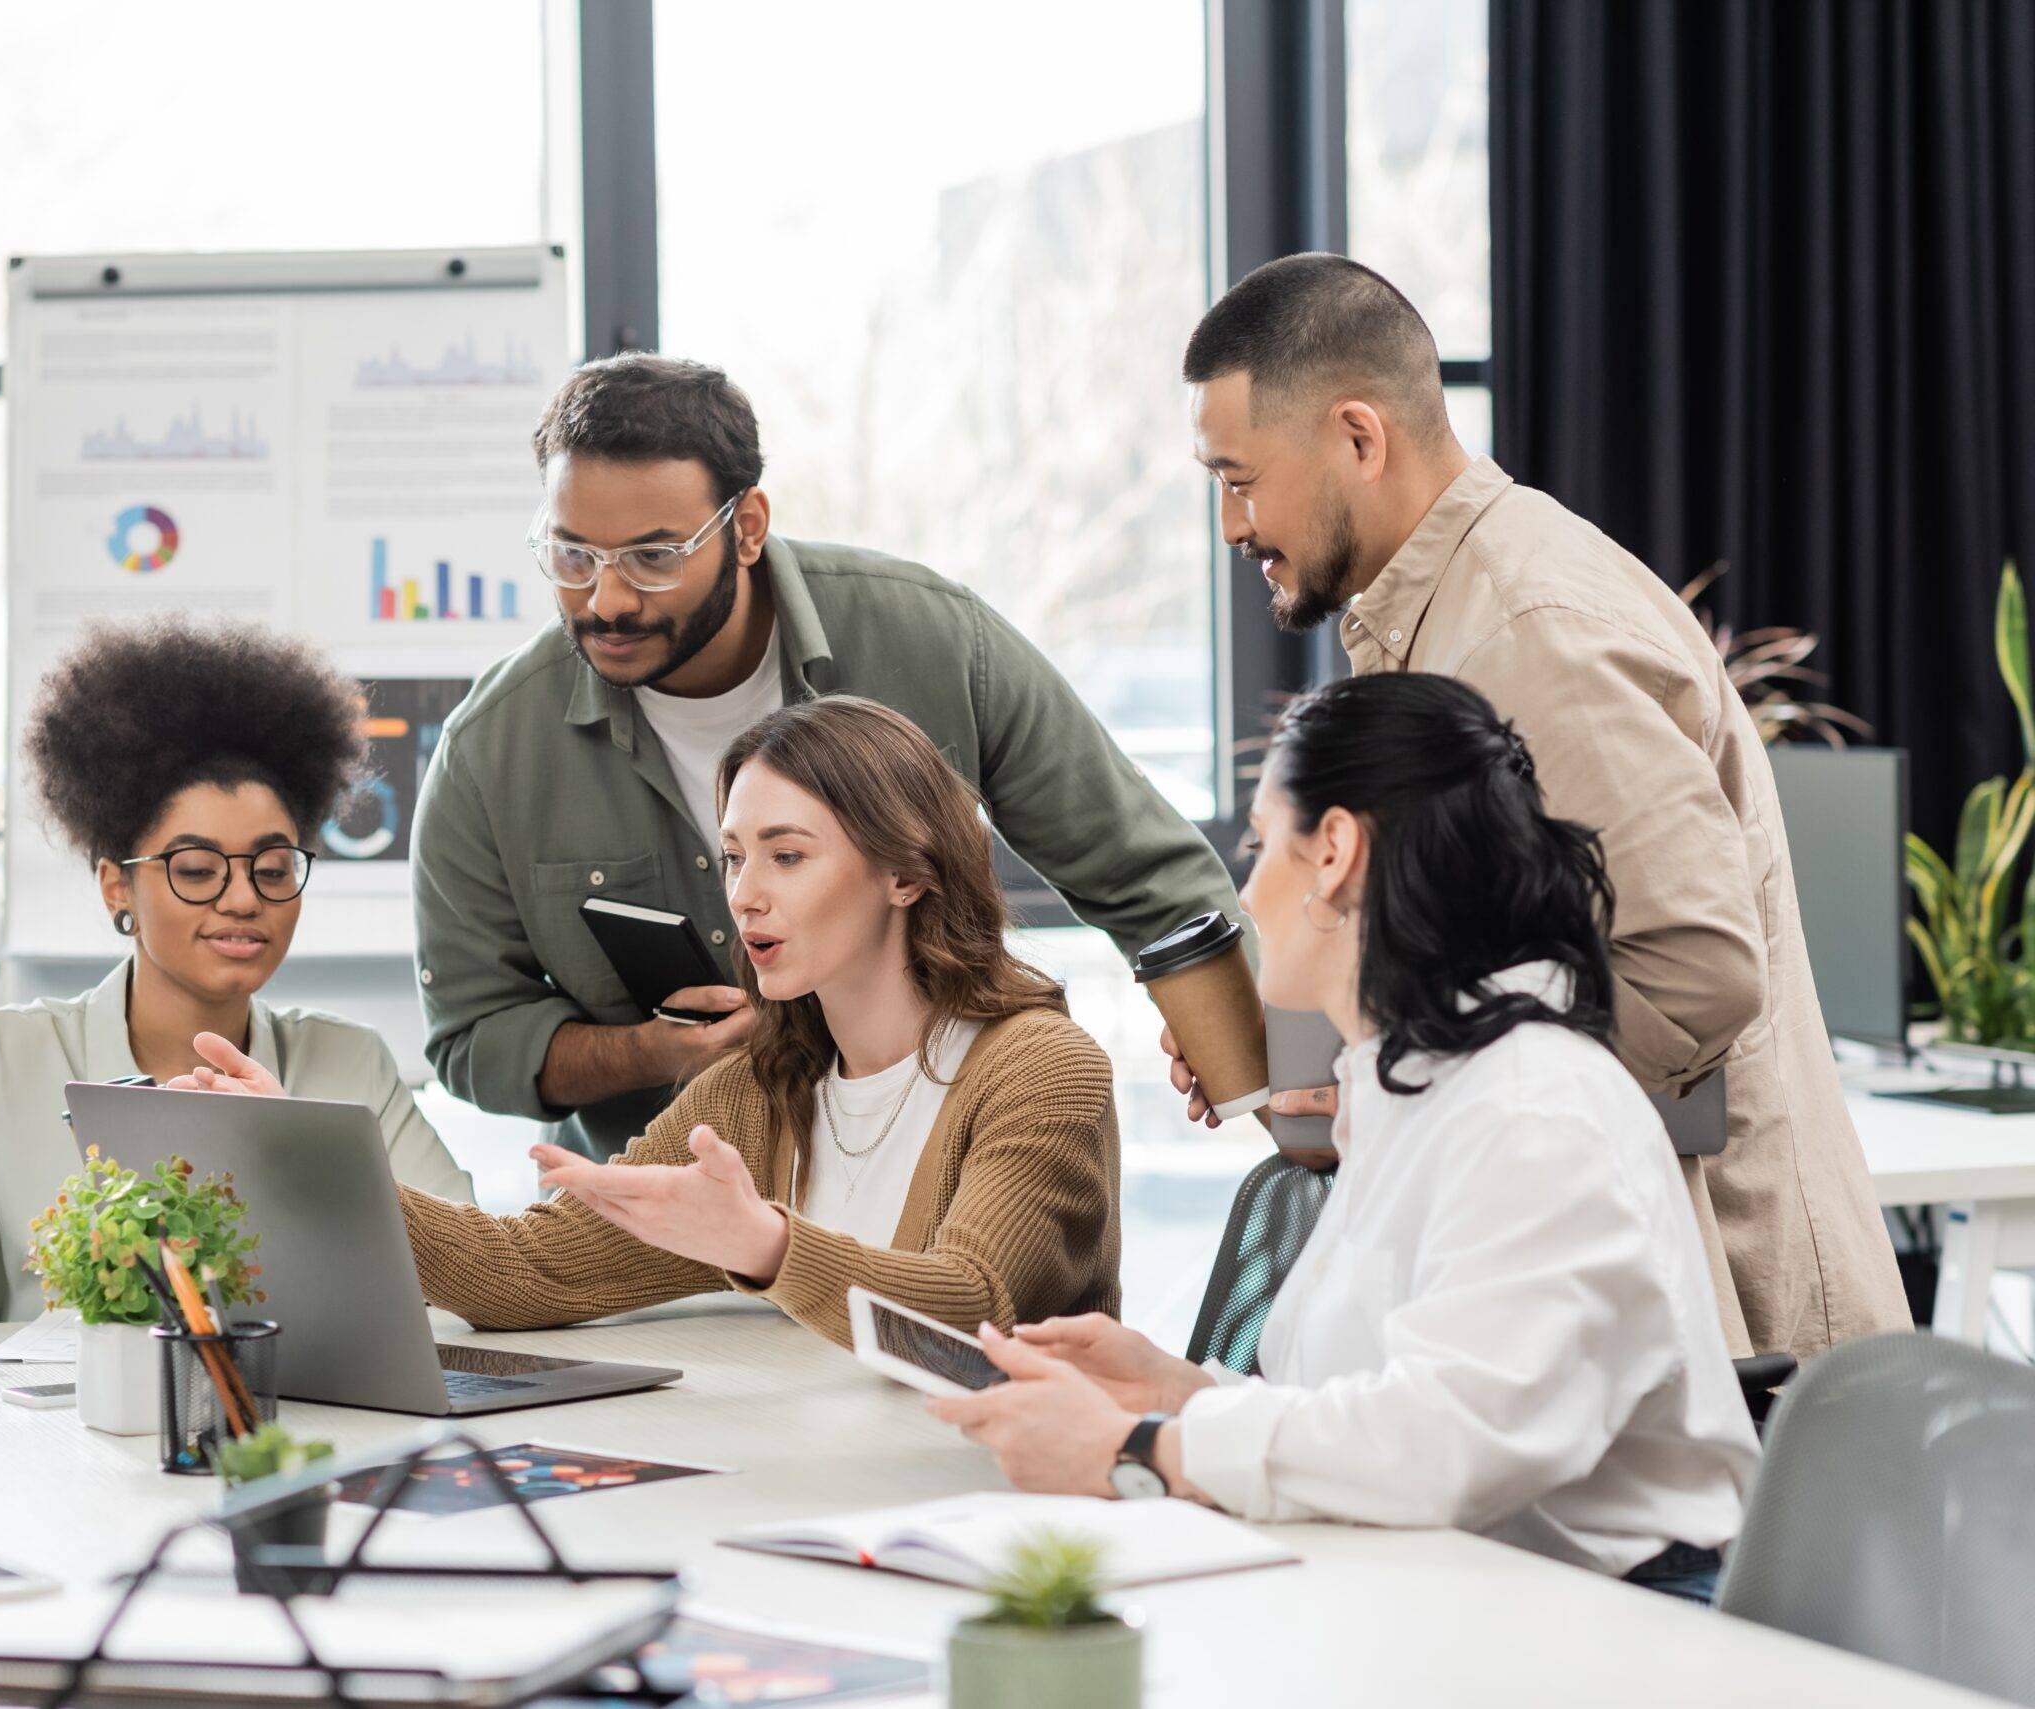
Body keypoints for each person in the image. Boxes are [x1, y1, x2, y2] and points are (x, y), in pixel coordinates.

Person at [1166, 252, 1907, 1364]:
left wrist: (1397, 1077)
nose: (1231, 525)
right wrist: (1326, 1039)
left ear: (1358, 439)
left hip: (1722, 1305)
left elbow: (1693, 971)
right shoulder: (1442, 614)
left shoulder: (1527, 629)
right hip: (1606, 1273)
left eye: (1239, 478)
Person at [934, 672, 1761, 1604]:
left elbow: (1447, 1446)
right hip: (1461, 1591)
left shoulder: (1534, 1110)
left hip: (1612, 1622)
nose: (1246, 890)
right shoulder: (1416, 1090)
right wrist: (1177, 1391)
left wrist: (1139, 1450)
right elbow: (1372, 1416)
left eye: (1258, 844)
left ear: (1333, 851)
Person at [410, 353, 1244, 1161]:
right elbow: (471, 1035)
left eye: (654, 558)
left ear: (746, 529)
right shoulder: (492, 749)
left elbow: (1148, 875)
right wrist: (651, 1054)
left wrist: (1262, 1057)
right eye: (572, 556)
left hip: (938, 1174)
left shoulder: (930, 638)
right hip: (671, 1220)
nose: (609, 598)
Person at [171, 696, 1121, 1345]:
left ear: (907, 874)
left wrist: (763, 1244)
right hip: (816, 1489)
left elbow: (975, 1305)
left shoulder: (1038, 1067)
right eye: (735, 856)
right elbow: (532, 1271)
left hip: (989, 1520)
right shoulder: (763, 1085)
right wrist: (309, 1157)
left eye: (788, 857)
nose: (744, 896)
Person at [0, 620, 473, 1356]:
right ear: (117, 882)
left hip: (293, 1430)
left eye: (271, 868)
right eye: (196, 867)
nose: (243, 898)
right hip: (42, 1444)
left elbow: (474, 1267)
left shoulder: (350, 1064)